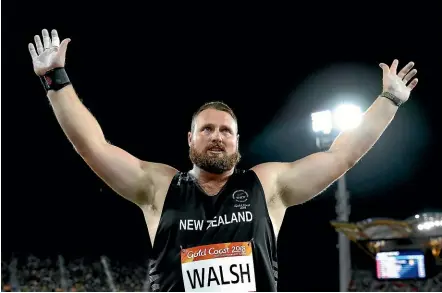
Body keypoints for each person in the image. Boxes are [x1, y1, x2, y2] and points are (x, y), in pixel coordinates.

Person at [28, 28, 419, 292]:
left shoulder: (269, 185)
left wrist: (389, 101)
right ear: (190, 139)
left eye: (226, 130)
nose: (216, 136)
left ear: (237, 142)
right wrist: (55, 80)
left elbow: (343, 155)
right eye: (207, 129)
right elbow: (93, 147)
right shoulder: (158, 186)